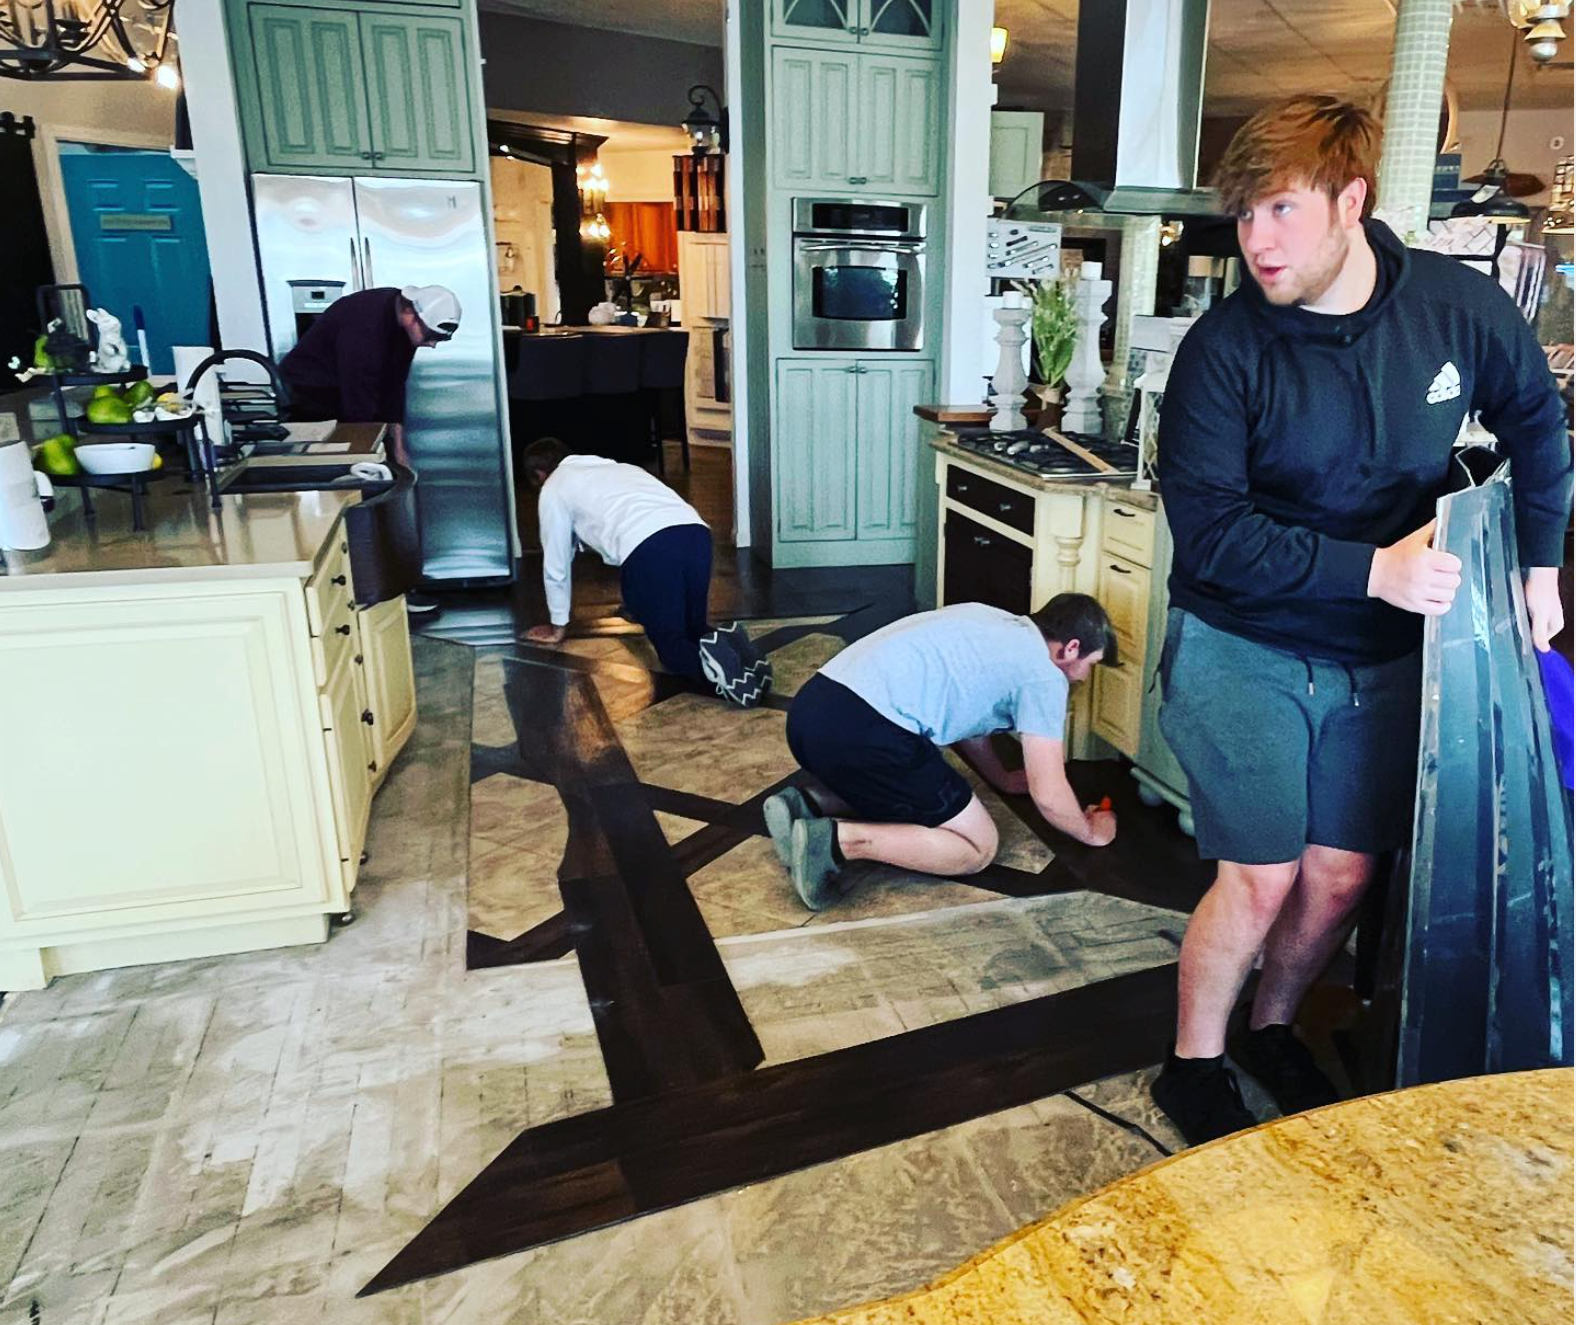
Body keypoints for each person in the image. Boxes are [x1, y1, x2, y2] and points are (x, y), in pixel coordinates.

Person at [1150, 94, 1572, 1146]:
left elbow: (1536, 415)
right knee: (1262, 875)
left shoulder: (1452, 308)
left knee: (1339, 877)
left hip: (1377, 660)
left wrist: (1539, 559)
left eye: (1280, 210)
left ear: (1351, 200)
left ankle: (1272, 1024)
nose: (1255, 240)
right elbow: (1208, 535)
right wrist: (1370, 570)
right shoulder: (1222, 351)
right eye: (1242, 215)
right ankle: (1190, 1063)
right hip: (1239, 640)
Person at [764, 594, 1119, 910]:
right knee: (976, 845)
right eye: (1091, 664)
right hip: (863, 733)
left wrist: (1003, 779)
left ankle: (806, 805)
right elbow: (1050, 795)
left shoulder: (990, 618)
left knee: (901, 784)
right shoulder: (1044, 675)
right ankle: (836, 841)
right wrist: (1091, 832)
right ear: (1070, 648)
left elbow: (966, 722)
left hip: (810, 714)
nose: (1084, 677)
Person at [521, 438, 771, 707]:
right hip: (695, 533)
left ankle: (724, 680)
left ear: (539, 474)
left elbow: (556, 560)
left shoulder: (554, 486)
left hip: (651, 547)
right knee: (693, 627)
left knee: (672, 648)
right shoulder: (618, 468)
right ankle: (737, 652)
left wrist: (558, 624)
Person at [278, 284, 461, 471]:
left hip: (349, 392)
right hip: (311, 392)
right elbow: (358, 399)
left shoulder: (402, 321)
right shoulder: (365, 323)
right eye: (430, 335)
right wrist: (368, 460)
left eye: (440, 339)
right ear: (409, 314)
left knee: (375, 455)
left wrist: (398, 448)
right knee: (343, 467)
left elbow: (395, 387)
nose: (432, 344)